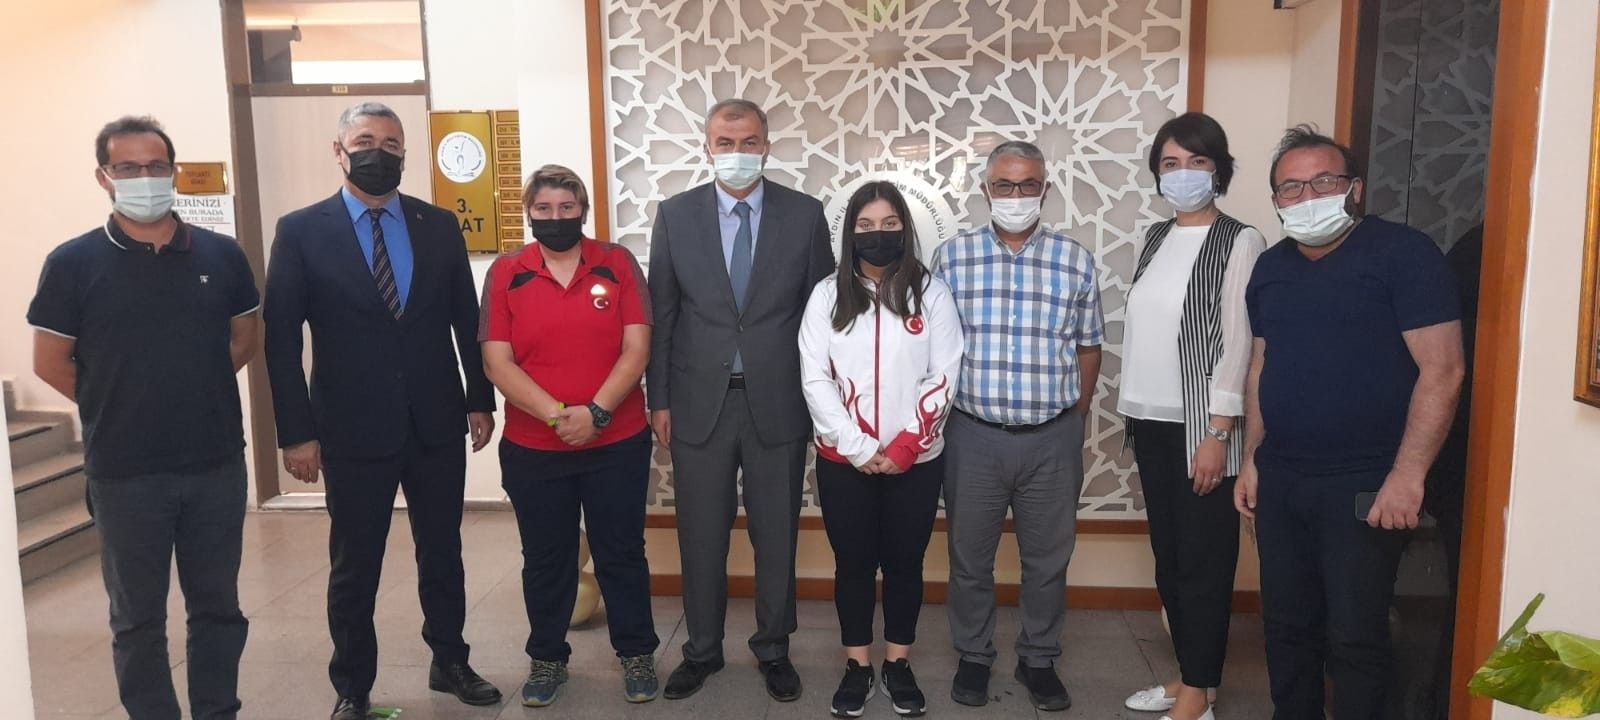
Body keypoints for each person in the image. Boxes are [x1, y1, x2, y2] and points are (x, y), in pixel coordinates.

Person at [263, 102, 502, 720]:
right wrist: (295, 433)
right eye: (365, 140)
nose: (379, 152)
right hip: (349, 426)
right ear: (339, 151)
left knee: (442, 552)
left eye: (391, 143)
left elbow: (465, 318)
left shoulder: (437, 224)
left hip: (435, 419)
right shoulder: (300, 230)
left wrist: (479, 399)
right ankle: (353, 684)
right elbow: (281, 340)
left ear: (404, 153)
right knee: (356, 562)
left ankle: (450, 660)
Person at [28, 116, 257, 720]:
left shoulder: (221, 255)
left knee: (218, 610)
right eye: (127, 167)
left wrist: (191, 387)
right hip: (125, 473)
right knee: (137, 619)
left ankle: (217, 711)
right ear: (104, 177)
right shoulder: (72, 263)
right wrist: (120, 399)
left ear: (173, 171)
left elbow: (244, 339)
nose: (144, 178)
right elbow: (50, 362)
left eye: (155, 166)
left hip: (214, 465)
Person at [1235, 126, 1464, 720]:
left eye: (1324, 182)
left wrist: (1407, 476)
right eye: (1291, 188)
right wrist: (1253, 456)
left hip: (1365, 482)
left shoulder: (1403, 255)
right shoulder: (1270, 269)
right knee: (1286, 628)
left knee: (1356, 634)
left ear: (1354, 188)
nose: (1307, 197)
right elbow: (1262, 365)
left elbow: (1443, 370)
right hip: (1283, 477)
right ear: (1276, 200)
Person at [645, 98, 834, 702]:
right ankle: (702, 650)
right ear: (707, 148)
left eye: (748, 142)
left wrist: (826, 402)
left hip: (780, 401)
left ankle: (774, 648)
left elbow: (824, 316)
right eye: (725, 143)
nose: (737, 153)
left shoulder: (805, 215)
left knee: (776, 534)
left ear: (767, 146)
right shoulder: (675, 215)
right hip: (698, 403)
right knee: (701, 534)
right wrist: (658, 398)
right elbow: (662, 313)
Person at [931, 140, 1105, 712]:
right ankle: (974, 655)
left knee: (1048, 560)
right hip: (972, 434)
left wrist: (1074, 416)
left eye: (1027, 184)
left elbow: (1089, 347)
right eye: (1004, 185)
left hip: (1051, 437)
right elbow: (931, 345)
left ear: (1045, 190)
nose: (1016, 195)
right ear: (986, 191)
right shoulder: (951, 258)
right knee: (969, 559)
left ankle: (1039, 658)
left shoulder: (1074, 259)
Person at [479, 165, 659, 707]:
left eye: (566, 208)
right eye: (544, 209)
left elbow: (637, 348)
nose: (555, 217)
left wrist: (596, 413)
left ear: (582, 210)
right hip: (535, 448)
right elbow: (496, 361)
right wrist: (559, 416)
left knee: (620, 552)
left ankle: (636, 653)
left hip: (617, 442)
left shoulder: (617, 263)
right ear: (529, 213)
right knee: (546, 558)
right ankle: (547, 659)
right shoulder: (506, 272)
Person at [1119, 112, 1265, 720]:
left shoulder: (1240, 241)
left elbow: (1240, 342)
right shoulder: (1156, 238)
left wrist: (1218, 433)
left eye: (1197, 162)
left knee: (1204, 563)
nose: (1183, 174)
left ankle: (1200, 694)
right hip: (1149, 422)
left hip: (1202, 428)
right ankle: (1188, 678)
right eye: (1170, 163)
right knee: (1171, 560)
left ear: (1219, 170)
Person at [798, 181, 964, 718]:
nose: (878, 235)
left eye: (889, 224)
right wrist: (857, 446)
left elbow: (945, 372)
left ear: (904, 229)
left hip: (916, 460)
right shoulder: (826, 295)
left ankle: (897, 663)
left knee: (904, 563)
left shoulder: (931, 293)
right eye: (866, 226)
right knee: (852, 564)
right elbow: (814, 378)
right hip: (843, 461)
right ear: (850, 234)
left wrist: (908, 444)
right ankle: (857, 665)